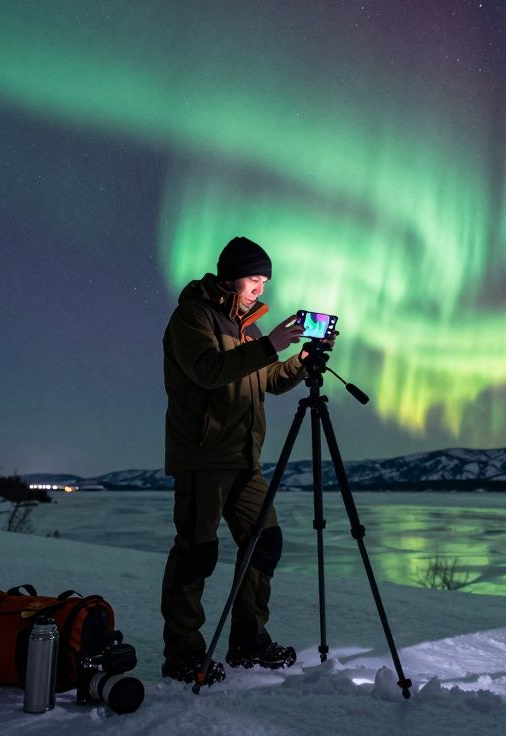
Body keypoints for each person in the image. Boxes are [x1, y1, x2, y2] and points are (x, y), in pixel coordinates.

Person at [159, 235, 313, 685]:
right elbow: (208, 370)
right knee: (196, 553)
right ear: (231, 275)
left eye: (265, 280)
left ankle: (249, 639)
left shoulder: (248, 327)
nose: (260, 288)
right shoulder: (194, 315)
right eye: (253, 278)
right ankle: (183, 653)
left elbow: (268, 380)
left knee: (264, 543)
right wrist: (269, 346)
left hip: (246, 460)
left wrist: (301, 360)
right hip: (203, 457)